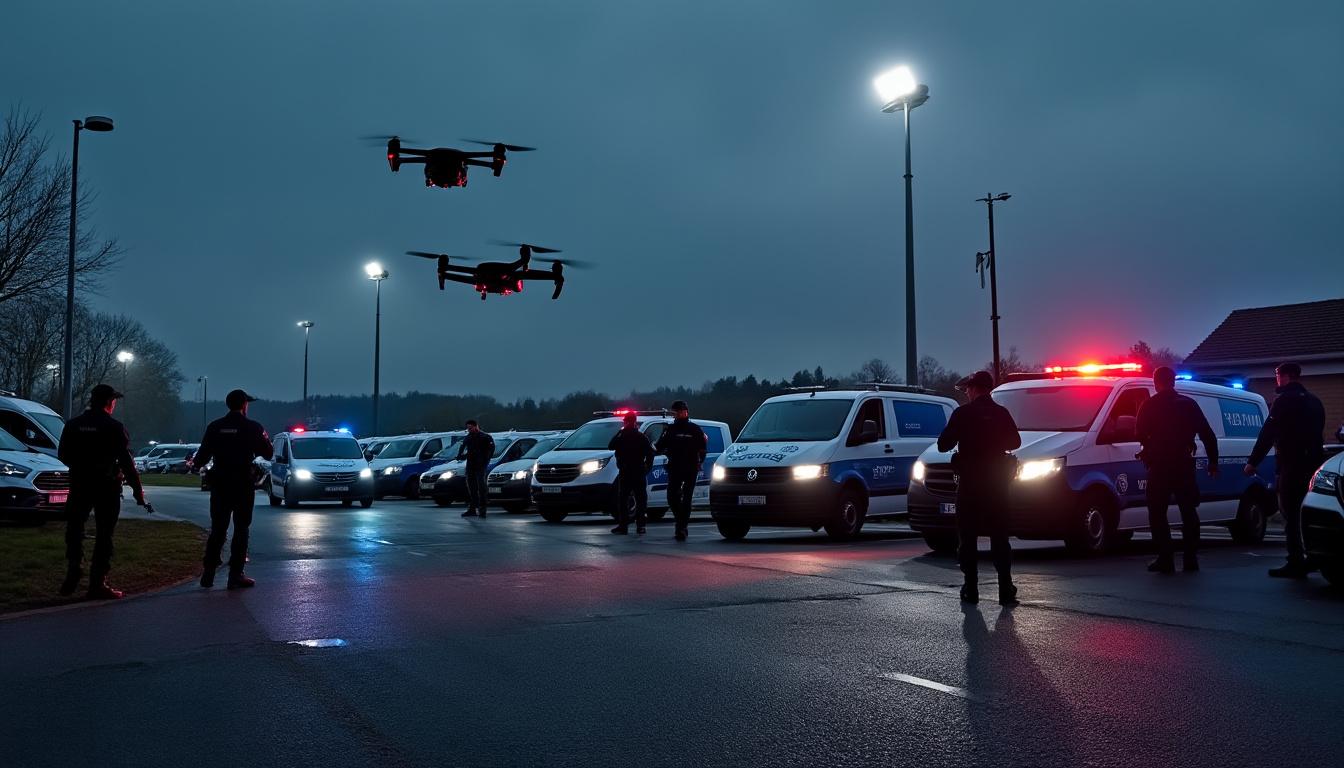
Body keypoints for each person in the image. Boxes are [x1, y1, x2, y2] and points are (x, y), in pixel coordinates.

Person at [936, 371, 1022, 604]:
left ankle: (971, 588)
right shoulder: (1001, 413)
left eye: (966, 390)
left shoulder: (963, 414)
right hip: (997, 486)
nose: (966, 394)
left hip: (970, 485)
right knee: (1000, 538)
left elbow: (943, 444)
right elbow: (1015, 442)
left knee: (968, 537)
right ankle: (1005, 588)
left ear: (974, 389)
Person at [57, 384, 146, 599]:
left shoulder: (73, 425)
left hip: (79, 484)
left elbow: (63, 454)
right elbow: (126, 461)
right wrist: (137, 490)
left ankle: (74, 569)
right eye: (114, 400)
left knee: (75, 528)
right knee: (105, 534)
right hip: (107, 486)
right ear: (109, 402)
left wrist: (81, 466)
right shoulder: (114, 426)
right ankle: (97, 583)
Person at [1244, 362, 1326, 579]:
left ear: (1286, 376)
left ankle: (1295, 560)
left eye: (1277, 375)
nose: (1276, 379)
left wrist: (1253, 461)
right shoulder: (1315, 402)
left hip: (1292, 464)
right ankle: (1314, 556)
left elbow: (1268, 433)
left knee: (1290, 513)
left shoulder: (1284, 401)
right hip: (1314, 465)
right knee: (1309, 512)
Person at [1136, 366, 1219, 574]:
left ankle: (1165, 559)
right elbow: (1208, 435)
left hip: (1160, 466)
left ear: (1156, 383)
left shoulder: (1149, 405)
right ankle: (1191, 560)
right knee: (1189, 512)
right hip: (1184, 464)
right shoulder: (1189, 404)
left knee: (1157, 513)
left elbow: (1140, 434)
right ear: (1173, 382)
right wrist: (1213, 463)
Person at [190, 389, 273, 589]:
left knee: (218, 527)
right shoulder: (252, 427)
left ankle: (208, 572)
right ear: (244, 405)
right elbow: (268, 453)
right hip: (243, 484)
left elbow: (200, 459)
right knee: (241, 528)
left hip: (220, 484)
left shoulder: (215, 427)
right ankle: (235, 574)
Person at [655, 400, 706, 541]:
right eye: (675, 412)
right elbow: (659, 446)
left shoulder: (695, 429)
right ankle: (680, 520)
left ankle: (682, 527)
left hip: (690, 468)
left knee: (687, 499)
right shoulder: (670, 430)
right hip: (675, 467)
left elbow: (702, 449)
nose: (677, 414)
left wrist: (699, 461)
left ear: (685, 412)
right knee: (672, 497)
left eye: (679, 412)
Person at [608, 412, 654, 535]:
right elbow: (650, 454)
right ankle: (639, 526)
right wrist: (647, 468)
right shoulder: (641, 436)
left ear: (629, 422)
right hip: (636, 471)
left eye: (625, 421)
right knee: (638, 500)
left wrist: (619, 432)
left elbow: (610, 445)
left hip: (628, 471)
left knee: (625, 500)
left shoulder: (624, 436)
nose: (624, 423)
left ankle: (625, 526)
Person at [457, 420, 495, 518]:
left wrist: (486, 460)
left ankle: (482, 510)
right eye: (468, 428)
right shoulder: (468, 437)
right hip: (471, 465)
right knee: (471, 488)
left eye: (470, 428)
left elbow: (491, 450)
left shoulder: (485, 437)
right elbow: (463, 448)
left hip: (480, 466)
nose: (469, 430)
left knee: (481, 488)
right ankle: (472, 509)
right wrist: (461, 455)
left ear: (476, 426)